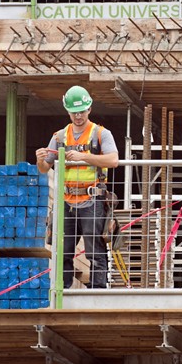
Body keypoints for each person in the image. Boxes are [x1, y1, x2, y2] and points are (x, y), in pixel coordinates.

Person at [35, 85, 119, 289]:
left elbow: (113, 160)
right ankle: (63, 291)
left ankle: (97, 293)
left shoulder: (100, 133)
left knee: (95, 251)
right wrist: (39, 160)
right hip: (67, 202)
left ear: (89, 109)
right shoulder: (60, 137)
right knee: (63, 251)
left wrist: (85, 157)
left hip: (92, 201)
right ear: (68, 111)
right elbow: (45, 168)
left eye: (81, 111)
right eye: (74, 112)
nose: (78, 116)